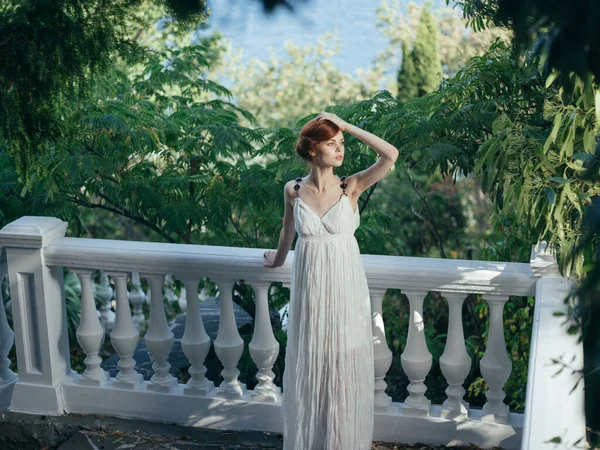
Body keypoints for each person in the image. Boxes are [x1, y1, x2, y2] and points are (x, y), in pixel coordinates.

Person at [263, 111, 399, 450]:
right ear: (311, 150)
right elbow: (287, 232)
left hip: (345, 287)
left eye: (341, 144)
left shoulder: (350, 186)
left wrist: (346, 125)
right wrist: (277, 260)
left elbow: (390, 155)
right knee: (313, 363)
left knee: (343, 366)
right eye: (331, 143)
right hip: (311, 288)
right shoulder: (293, 190)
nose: (340, 150)